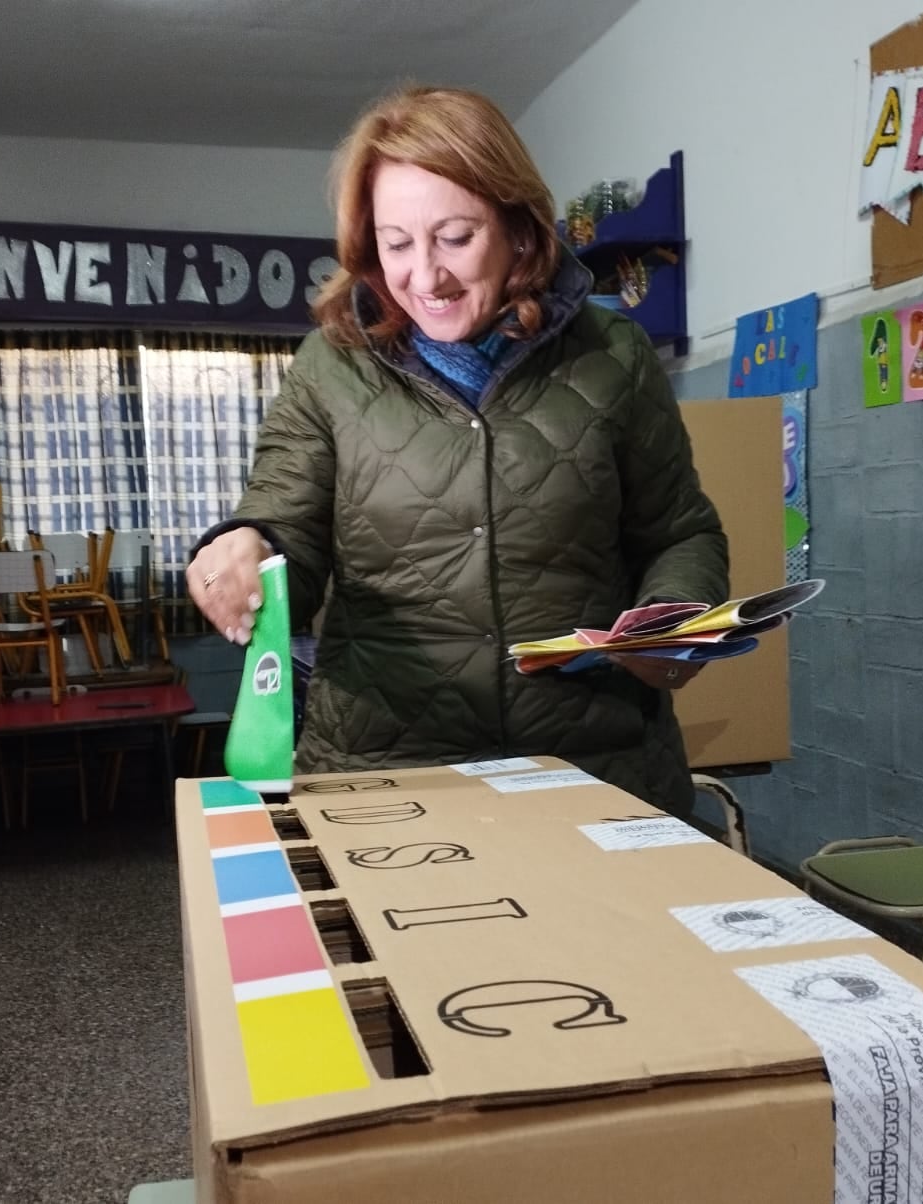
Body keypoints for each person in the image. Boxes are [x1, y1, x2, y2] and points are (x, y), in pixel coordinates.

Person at [186, 85, 728, 810]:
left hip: (597, 767)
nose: (426, 276)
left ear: (520, 230)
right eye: (396, 242)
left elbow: (680, 529)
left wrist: (671, 619)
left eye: (456, 236)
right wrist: (248, 548)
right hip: (386, 769)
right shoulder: (330, 366)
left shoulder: (615, 355)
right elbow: (287, 523)